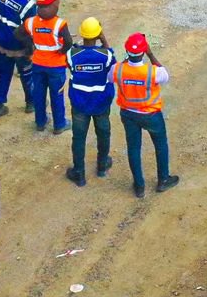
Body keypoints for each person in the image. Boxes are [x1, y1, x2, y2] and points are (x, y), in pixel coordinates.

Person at [115, 32, 178, 198]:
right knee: (160, 145)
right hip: (151, 115)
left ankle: (139, 185)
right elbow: (165, 75)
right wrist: (150, 54)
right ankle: (163, 179)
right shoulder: (152, 72)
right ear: (144, 51)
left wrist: (126, 60)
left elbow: (111, 76)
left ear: (126, 51)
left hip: (128, 114)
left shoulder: (118, 69)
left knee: (133, 148)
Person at [66, 17, 116, 186]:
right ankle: (102, 165)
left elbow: (70, 64)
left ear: (82, 33)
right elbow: (112, 62)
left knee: (79, 137)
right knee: (103, 133)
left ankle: (79, 174)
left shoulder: (72, 54)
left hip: (80, 102)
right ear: (98, 34)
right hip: (101, 102)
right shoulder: (106, 55)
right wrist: (103, 39)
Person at [17, 0, 72, 134]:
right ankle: (59, 124)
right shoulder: (59, 24)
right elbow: (68, 42)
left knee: (39, 94)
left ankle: (40, 122)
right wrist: (61, 51)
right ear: (55, 4)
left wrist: (30, 47)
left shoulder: (31, 22)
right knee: (57, 95)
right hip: (56, 67)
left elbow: (18, 34)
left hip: (38, 65)